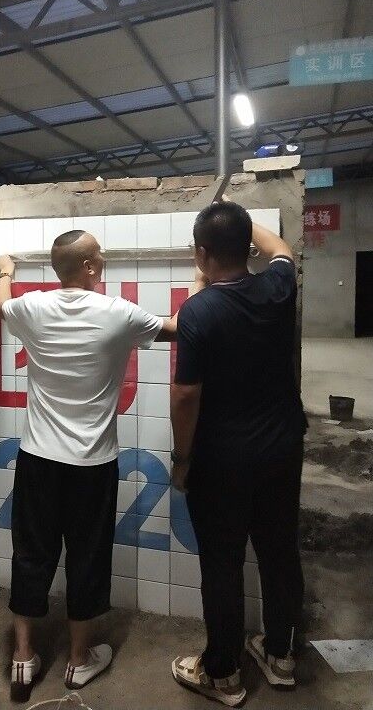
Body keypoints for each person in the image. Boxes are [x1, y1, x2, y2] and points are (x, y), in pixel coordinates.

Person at [0, 230, 179, 702]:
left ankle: (23, 657)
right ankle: (78, 661)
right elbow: (177, 327)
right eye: (101, 254)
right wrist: (202, 283)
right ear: (91, 267)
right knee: (88, 555)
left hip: (37, 459)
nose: (106, 258)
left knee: (30, 553)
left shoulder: (31, 307)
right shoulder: (119, 313)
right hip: (91, 465)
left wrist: (5, 272)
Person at [170, 200, 306, 706]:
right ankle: (281, 656)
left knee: (223, 565)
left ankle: (224, 674)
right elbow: (281, 248)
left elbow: (186, 395)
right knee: (279, 553)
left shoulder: (197, 311)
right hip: (281, 450)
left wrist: (182, 460)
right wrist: (243, 224)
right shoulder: (278, 287)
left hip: (221, 461)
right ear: (245, 247)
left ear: (202, 254)